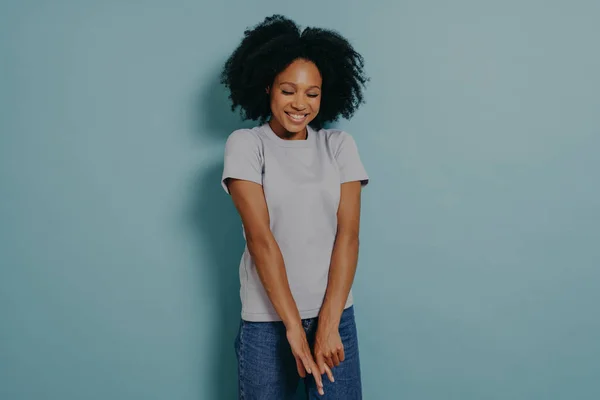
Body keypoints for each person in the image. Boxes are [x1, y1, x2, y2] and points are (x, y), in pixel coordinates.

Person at [220, 14, 369, 399]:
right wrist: (292, 329)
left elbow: (348, 237)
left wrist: (329, 324)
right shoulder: (247, 145)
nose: (300, 104)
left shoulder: (338, 146)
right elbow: (260, 238)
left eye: (312, 93)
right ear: (268, 86)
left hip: (335, 317)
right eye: (289, 90)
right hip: (267, 323)